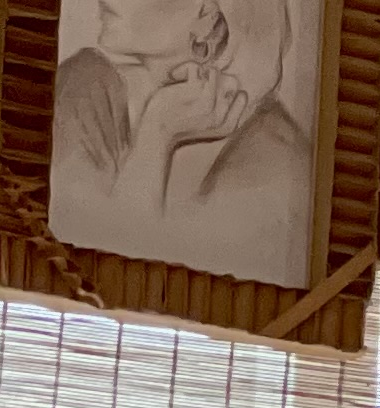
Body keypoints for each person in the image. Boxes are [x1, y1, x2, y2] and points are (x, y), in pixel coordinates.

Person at [50, 0, 314, 287]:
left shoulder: (275, 159)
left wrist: (159, 131)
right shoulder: (83, 86)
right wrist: (157, 132)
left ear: (206, 16)